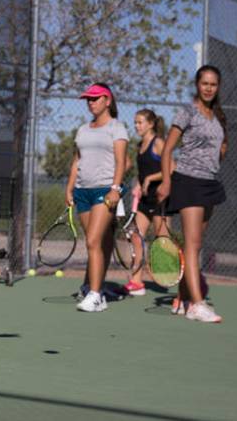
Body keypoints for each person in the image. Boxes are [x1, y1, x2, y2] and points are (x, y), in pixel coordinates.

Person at [156, 65, 228, 323]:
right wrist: (166, 181)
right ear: (197, 85)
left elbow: (219, 147)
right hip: (188, 182)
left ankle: (181, 298)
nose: (208, 88)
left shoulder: (217, 116)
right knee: (193, 244)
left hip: (210, 183)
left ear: (218, 87)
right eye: (204, 83)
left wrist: (220, 150)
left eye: (213, 84)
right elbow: (167, 150)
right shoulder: (187, 112)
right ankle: (197, 304)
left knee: (194, 246)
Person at [65, 83, 128, 313]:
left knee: (93, 241)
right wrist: (69, 188)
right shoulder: (83, 129)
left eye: (95, 98)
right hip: (83, 192)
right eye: (88, 99)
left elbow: (122, 162)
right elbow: (77, 161)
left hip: (104, 191)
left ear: (107, 100)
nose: (91, 102)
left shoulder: (117, 127)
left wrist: (115, 189)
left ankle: (96, 295)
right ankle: (93, 286)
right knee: (95, 243)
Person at [125, 109, 169, 296]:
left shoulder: (158, 143)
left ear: (151, 124)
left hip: (160, 198)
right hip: (144, 199)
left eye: (140, 122)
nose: (137, 126)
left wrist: (151, 179)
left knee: (163, 241)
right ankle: (136, 282)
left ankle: (176, 279)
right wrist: (138, 183)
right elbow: (142, 172)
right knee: (136, 236)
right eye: (135, 122)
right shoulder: (139, 145)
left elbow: (171, 169)